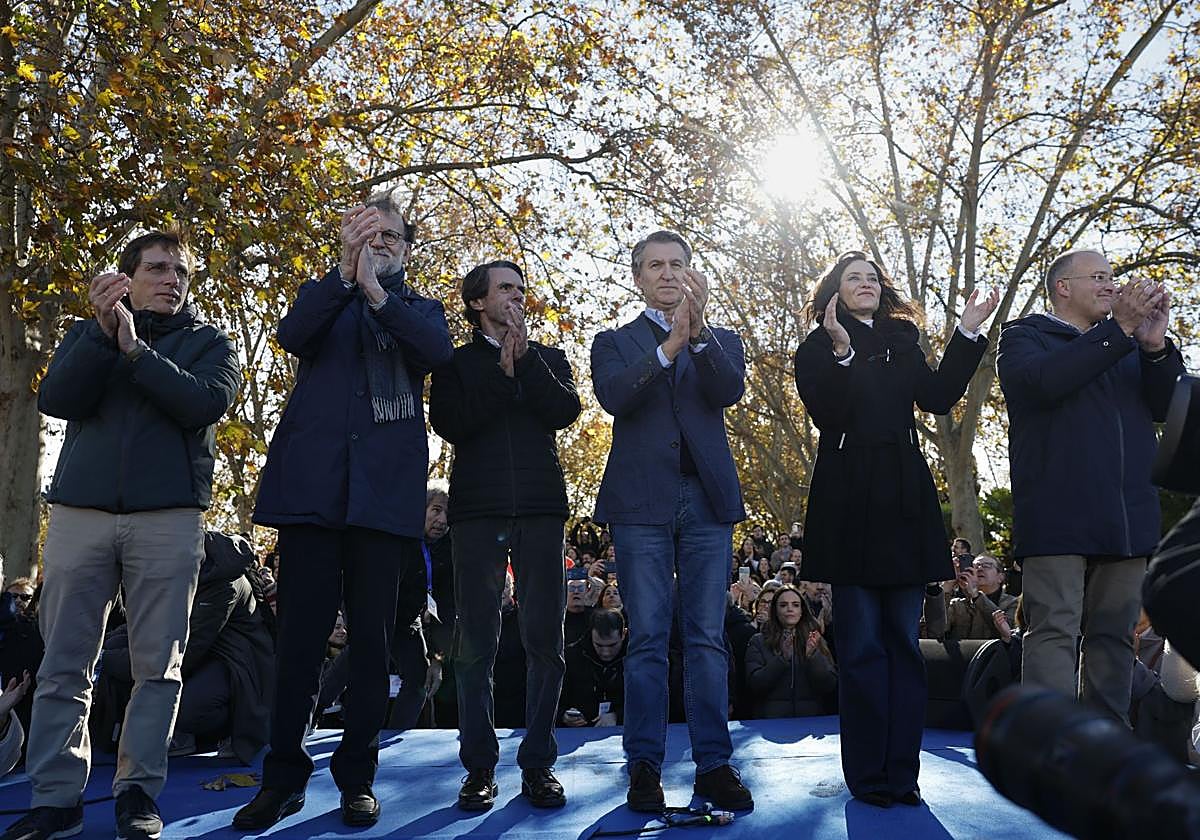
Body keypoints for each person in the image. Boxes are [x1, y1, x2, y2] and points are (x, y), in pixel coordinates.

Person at [3, 230, 241, 840]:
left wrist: (138, 353)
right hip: (81, 515)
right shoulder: (89, 335)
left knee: (157, 666)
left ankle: (137, 792)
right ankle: (56, 797)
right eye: (158, 269)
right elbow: (57, 398)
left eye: (180, 272)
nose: (172, 280)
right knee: (62, 665)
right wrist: (101, 337)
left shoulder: (211, 342)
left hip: (169, 518)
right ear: (127, 279)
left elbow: (204, 405)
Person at [236, 193, 452, 830]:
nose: (379, 242)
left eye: (391, 235)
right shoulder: (320, 298)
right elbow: (291, 334)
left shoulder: (419, 309)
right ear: (345, 237)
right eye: (367, 231)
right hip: (313, 496)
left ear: (407, 251)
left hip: (384, 502)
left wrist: (377, 294)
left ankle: (357, 776)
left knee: (370, 645)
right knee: (300, 644)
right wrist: (343, 278)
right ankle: (282, 778)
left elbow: (434, 352)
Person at [793, 250, 997, 808]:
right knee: (861, 649)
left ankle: (903, 775)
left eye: (871, 278)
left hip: (905, 502)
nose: (865, 284)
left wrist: (968, 331)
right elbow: (829, 415)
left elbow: (936, 398)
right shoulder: (814, 349)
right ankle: (868, 777)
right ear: (833, 291)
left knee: (904, 647)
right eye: (852, 278)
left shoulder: (903, 339)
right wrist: (839, 350)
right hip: (848, 502)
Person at [591, 229, 752, 812]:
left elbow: (728, 390)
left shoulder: (722, 339)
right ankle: (644, 767)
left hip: (708, 504)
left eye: (676, 264)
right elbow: (614, 397)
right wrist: (666, 349)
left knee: (708, 638)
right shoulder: (614, 341)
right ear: (637, 277)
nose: (667, 274)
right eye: (654, 266)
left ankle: (713, 765)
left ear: (691, 272)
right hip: (640, 506)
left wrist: (698, 334)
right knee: (649, 639)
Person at [997, 249, 1183, 725]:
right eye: (1098, 277)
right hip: (1058, 514)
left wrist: (1156, 347)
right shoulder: (1024, 336)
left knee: (1116, 638)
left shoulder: (1128, 343)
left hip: (1126, 517)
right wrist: (1118, 332)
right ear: (1063, 287)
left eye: (1112, 276)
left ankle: (1105, 753)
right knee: (1054, 631)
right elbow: (1044, 384)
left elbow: (1169, 407)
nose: (1110, 285)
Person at [429, 259, 580, 811]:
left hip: (541, 510)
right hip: (478, 515)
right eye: (506, 289)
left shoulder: (550, 357)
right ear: (477, 302)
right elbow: (452, 423)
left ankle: (538, 763)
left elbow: (565, 410)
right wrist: (501, 373)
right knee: (476, 646)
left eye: (522, 289)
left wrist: (526, 363)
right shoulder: (453, 362)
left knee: (546, 643)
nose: (517, 296)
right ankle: (479, 768)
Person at [744, 585, 837, 718]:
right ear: (775, 611)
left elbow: (829, 685)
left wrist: (813, 657)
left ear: (802, 610)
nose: (789, 609)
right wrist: (782, 659)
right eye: (783, 605)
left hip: (810, 723)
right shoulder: (758, 641)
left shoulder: (814, 640)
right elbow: (755, 685)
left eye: (795, 605)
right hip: (770, 724)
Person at [560, 609, 628, 727]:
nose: (606, 652)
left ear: (624, 634)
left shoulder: (637, 658)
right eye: (599, 645)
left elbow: (649, 701)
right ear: (591, 634)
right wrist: (563, 715)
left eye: (612, 645)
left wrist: (619, 716)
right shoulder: (571, 656)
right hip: (579, 732)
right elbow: (555, 700)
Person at [945, 555, 1018, 641]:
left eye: (986, 566)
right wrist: (947, 587)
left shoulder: (1013, 603)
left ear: (1001, 577)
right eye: (975, 566)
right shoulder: (957, 605)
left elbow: (1009, 631)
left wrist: (977, 596)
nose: (979, 569)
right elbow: (933, 631)